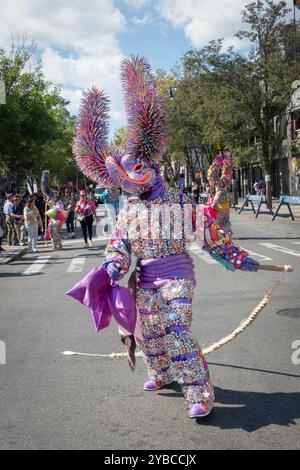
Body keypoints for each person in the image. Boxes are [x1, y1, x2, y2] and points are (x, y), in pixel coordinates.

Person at [67, 58, 265, 419]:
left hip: (177, 277)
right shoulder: (127, 210)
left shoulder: (177, 200)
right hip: (145, 281)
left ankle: (200, 393)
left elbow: (208, 232)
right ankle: (160, 373)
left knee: (176, 328)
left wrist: (237, 255)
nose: (134, 180)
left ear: (154, 169)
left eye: (139, 170)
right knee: (152, 333)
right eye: (127, 177)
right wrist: (111, 268)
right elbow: (120, 247)